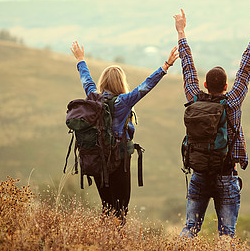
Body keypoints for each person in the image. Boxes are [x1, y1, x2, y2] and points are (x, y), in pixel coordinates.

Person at [173, 8, 250, 238]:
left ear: (204, 84)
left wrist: (181, 31)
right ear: (226, 87)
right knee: (227, 234)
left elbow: (187, 68)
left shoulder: (193, 97)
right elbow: (245, 69)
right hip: (226, 175)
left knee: (190, 229)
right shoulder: (232, 102)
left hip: (200, 173)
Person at [70, 40, 179, 224]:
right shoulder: (124, 102)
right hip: (118, 162)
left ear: (103, 82)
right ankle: (116, 242)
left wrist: (80, 59)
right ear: (121, 82)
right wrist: (166, 65)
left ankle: (102, 241)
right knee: (121, 209)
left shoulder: (94, 98)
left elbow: (86, 80)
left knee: (107, 206)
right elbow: (146, 86)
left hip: (97, 160)